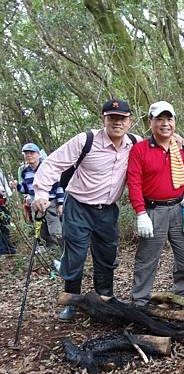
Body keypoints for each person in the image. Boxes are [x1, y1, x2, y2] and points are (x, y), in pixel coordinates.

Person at [31, 98, 139, 321]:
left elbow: (156, 150)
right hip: (78, 206)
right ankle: (71, 300)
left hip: (108, 210)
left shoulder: (135, 143)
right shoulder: (85, 140)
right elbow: (52, 164)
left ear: (129, 121)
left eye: (122, 119)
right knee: (75, 254)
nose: (117, 123)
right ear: (104, 119)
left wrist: (175, 139)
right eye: (112, 118)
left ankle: (105, 298)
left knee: (106, 254)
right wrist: (41, 193)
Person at [127, 101, 184, 307]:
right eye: (159, 119)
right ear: (150, 122)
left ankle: (182, 295)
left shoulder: (183, 148)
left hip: (180, 208)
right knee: (147, 258)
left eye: (169, 119)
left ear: (175, 122)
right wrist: (140, 213)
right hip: (153, 211)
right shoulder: (140, 149)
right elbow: (134, 182)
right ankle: (140, 300)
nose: (165, 124)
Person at [12, 142, 64, 252]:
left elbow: (58, 187)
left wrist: (60, 204)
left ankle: (62, 249)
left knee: (54, 226)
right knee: (41, 228)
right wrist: (16, 186)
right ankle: (51, 248)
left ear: (38, 154)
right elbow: (25, 190)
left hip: (50, 202)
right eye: (26, 153)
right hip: (35, 203)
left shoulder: (48, 168)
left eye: (32, 153)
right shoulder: (25, 172)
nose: (29, 155)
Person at [0, 168, 16, 255]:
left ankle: (8, 248)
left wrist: (7, 196)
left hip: (3, 201)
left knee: (5, 225)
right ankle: (3, 249)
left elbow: (4, 184)